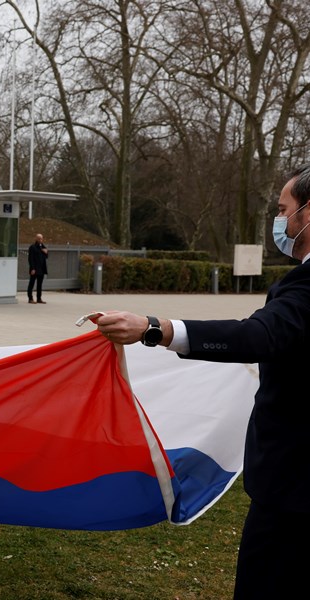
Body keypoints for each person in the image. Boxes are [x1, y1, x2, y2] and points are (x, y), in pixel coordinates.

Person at [94, 163, 310, 600]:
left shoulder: (307, 286)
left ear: (308, 214)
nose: (280, 221)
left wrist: (155, 329)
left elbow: (260, 335)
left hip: (295, 490)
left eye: (284, 209)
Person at [27, 233, 48, 304]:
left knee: (40, 284)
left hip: (41, 269)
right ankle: (30, 298)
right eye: (39, 238)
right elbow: (31, 259)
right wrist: (32, 268)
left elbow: (46, 256)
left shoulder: (43, 246)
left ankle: (39, 298)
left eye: (41, 238)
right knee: (31, 283)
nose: (40, 240)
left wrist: (45, 252)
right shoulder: (32, 247)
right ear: (36, 239)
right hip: (35, 269)